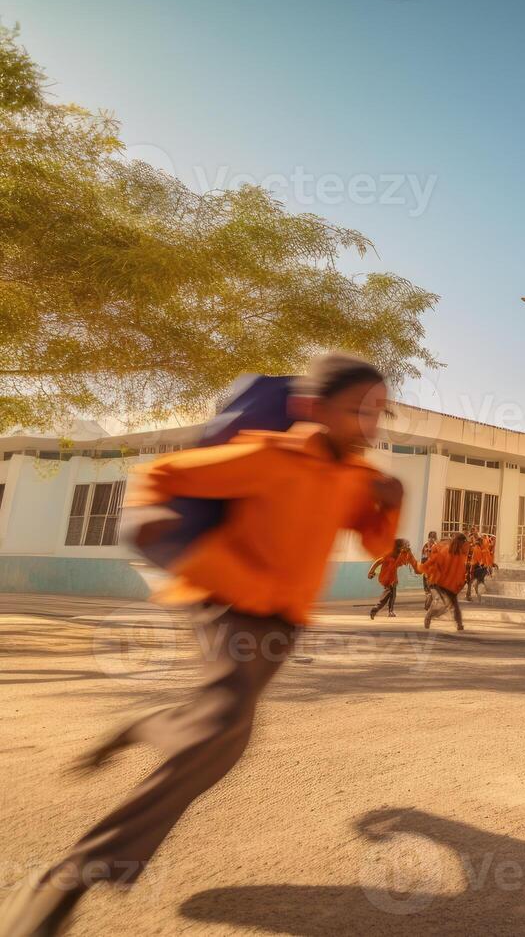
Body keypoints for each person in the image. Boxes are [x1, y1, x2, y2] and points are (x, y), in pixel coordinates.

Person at [0, 354, 402, 937]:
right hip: (226, 609)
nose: (371, 424)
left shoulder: (355, 477)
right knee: (222, 731)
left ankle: (151, 725)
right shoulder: (268, 455)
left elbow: (372, 546)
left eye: (377, 411)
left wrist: (389, 505)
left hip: (283, 627)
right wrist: (197, 561)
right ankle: (70, 875)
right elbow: (162, 478)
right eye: (359, 410)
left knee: (221, 735)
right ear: (312, 408)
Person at [423, 532, 470, 631]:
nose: (463, 545)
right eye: (462, 543)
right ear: (458, 542)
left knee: (455, 606)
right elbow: (437, 565)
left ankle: (459, 624)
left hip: (451, 585)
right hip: (441, 583)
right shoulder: (445, 551)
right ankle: (429, 615)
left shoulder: (460, 554)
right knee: (443, 605)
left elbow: (460, 570)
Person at [368, 537, 420, 619]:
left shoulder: (403, 553)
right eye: (406, 545)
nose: (408, 546)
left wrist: (418, 570)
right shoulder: (390, 554)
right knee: (389, 593)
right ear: (400, 547)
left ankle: (388, 611)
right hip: (387, 575)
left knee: (392, 594)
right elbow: (378, 562)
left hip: (392, 576)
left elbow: (413, 562)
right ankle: (378, 608)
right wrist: (370, 572)